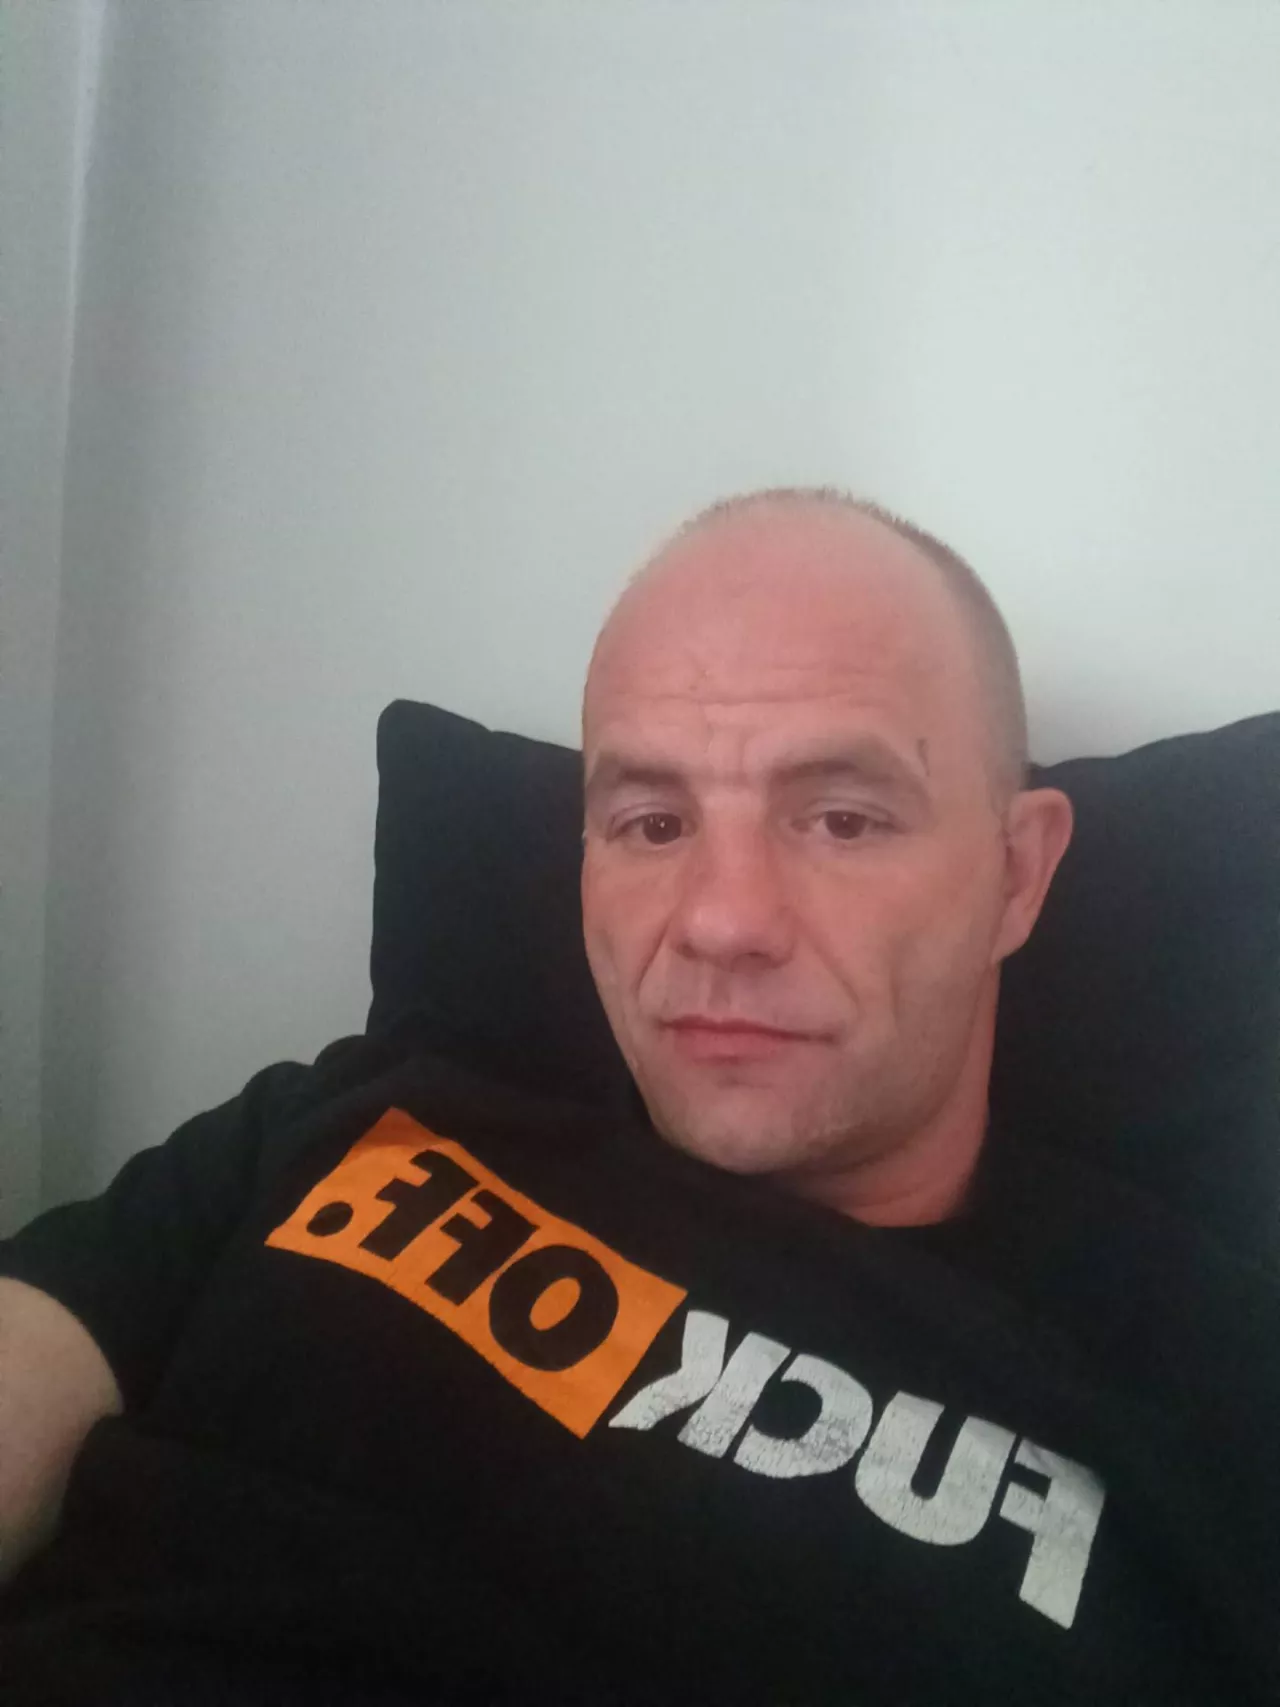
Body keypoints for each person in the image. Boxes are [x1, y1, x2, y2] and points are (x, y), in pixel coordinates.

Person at [0, 489, 1274, 1704]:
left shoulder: (1211, 1399)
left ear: (1015, 875)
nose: (720, 920)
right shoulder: (352, 1118)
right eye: (652, 823)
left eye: (840, 818)